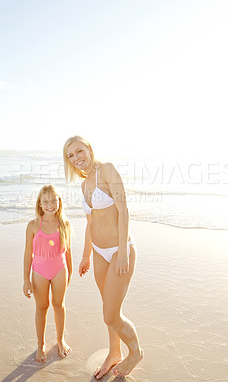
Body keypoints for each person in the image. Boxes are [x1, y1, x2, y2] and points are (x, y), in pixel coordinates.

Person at [63, 136, 143, 379]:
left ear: (89, 149)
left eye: (79, 151)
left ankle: (136, 352)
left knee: (110, 314)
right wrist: (86, 254)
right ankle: (114, 352)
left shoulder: (107, 170)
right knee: (110, 308)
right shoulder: (84, 184)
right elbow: (90, 223)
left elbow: (123, 209)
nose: (77, 158)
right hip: (98, 253)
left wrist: (122, 253)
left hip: (119, 250)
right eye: (71, 156)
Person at [23, 184, 72, 363]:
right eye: (46, 201)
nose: (50, 204)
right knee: (41, 308)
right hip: (39, 272)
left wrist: (70, 272)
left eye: (54, 200)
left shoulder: (64, 223)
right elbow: (28, 254)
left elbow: (68, 251)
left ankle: (60, 340)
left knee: (59, 305)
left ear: (59, 202)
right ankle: (40, 344)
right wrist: (25, 279)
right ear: (40, 204)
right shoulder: (33, 225)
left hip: (60, 270)